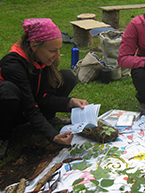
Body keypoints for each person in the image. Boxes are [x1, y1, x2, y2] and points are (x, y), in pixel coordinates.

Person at [0, 18, 89, 158]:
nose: (58, 56)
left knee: (67, 76)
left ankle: (48, 117)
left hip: (29, 105)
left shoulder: (42, 58)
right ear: (34, 45)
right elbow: (29, 107)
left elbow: (44, 97)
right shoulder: (13, 65)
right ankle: (3, 135)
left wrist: (69, 102)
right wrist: (53, 136)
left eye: (59, 50)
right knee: (7, 90)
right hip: (13, 108)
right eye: (53, 50)